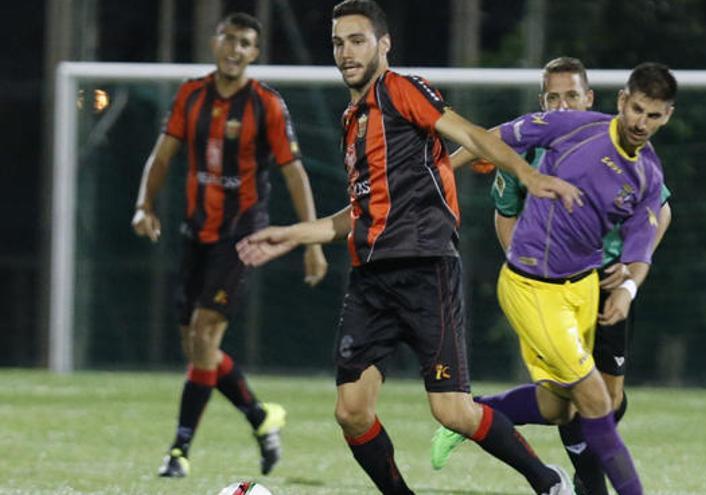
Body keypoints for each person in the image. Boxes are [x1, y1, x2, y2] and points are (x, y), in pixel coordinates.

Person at [236, 1, 584, 493]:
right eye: (338, 42)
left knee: (453, 411)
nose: (346, 52)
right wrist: (292, 234)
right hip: (370, 279)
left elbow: (470, 135)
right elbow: (356, 215)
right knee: (352, 412)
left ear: (383, 44)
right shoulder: (351, 120)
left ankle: (548, 482)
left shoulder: (403, 89)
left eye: (357, 40)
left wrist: (526, 172)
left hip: (426, 270)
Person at [433, 57, 673, 495]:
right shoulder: (559, 134)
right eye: (637, 109)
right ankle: (591, 487)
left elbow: (651, 222)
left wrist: (631, 285)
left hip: (594, 285)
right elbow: (490, 146)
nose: (641, 121)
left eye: (653, 115)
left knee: (572, 406)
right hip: (536, 288)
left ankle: (474, 416)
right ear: (623, 102)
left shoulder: (646, 171)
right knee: (594, 398)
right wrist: (438, 173)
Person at [131, 12, 328, 478]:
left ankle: (179, 450)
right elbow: (162, 155)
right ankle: (260, 416)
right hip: (196, 231)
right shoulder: (190, 95)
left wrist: (313, 239)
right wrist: (144, 205)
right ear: (215, 41)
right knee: (196, 345)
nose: (236, 49)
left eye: (246, 43)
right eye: (230, 39)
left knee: (203, 335)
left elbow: (294, 173)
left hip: (243, 236)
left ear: (254, 53)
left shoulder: (267, 105)